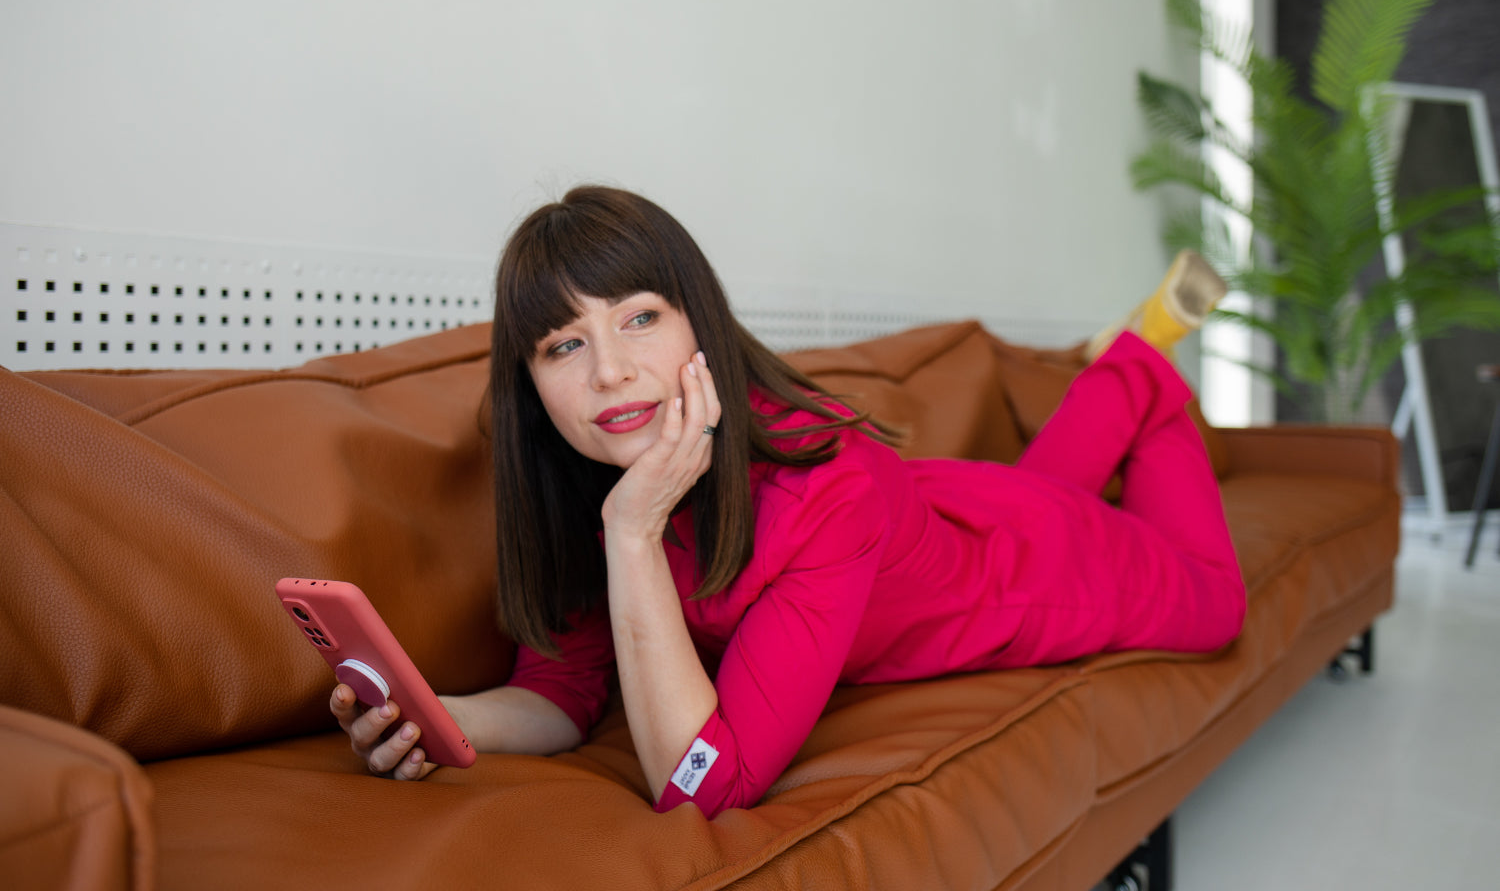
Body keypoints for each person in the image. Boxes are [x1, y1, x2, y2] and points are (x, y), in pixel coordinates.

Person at [330, 186, 1246, 818]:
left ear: (702, 321)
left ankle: (1141, 366)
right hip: (934, 520)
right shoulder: (595, 470)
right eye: (563, 346)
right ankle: (1111, 375)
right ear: (532, 382)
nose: (610, 370)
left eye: (640, 317)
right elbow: (562, 693)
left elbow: (701, 788)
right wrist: (439, 718)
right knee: (1035, 490)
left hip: (1035, 573)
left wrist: (634, 533)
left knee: (1215, 604)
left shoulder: (812, 488)